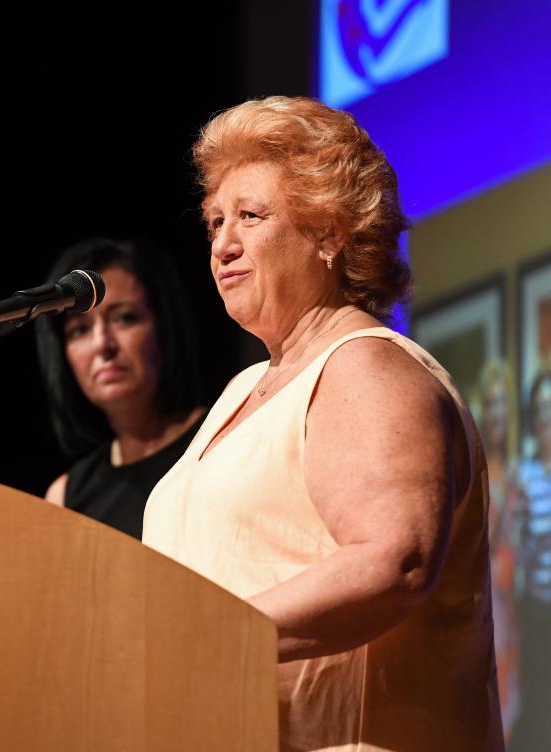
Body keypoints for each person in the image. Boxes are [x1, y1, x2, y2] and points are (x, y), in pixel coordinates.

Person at [142, 97, 503, 751]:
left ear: (332, 234)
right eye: (216, 221)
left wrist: (207, 637)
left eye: (251, 217)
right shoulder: (242, 391)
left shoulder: (365, 366)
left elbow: (394, 562)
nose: (223, 244)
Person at [36, 238, 206, 539]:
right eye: (80, 330)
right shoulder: (66, 496)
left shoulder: (224, 435)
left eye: (124, 318)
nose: (103, 344)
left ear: (163, 327)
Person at [474, 360, 522, 739]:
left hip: (523, 602)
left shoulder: (522, 467)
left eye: (503, 402)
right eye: (491, 403)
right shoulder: (476, 467)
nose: (497, 412)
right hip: (487, 602)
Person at [512, 366, 551, 750]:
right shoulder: (523, 475)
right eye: (540, 409)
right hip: (538, 609)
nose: (546, 417)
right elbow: (515, 549)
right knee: (540, 703)